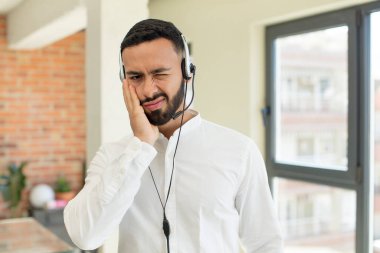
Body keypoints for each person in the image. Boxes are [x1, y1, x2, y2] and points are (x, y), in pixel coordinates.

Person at [64, 19, 283, 253]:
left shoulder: (239, 150)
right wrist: (140, 147)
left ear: (187, 71)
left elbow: (265, 243)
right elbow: (86, 237)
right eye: (136, 77)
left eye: (159, 73)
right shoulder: (114, 156)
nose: (148, 90)